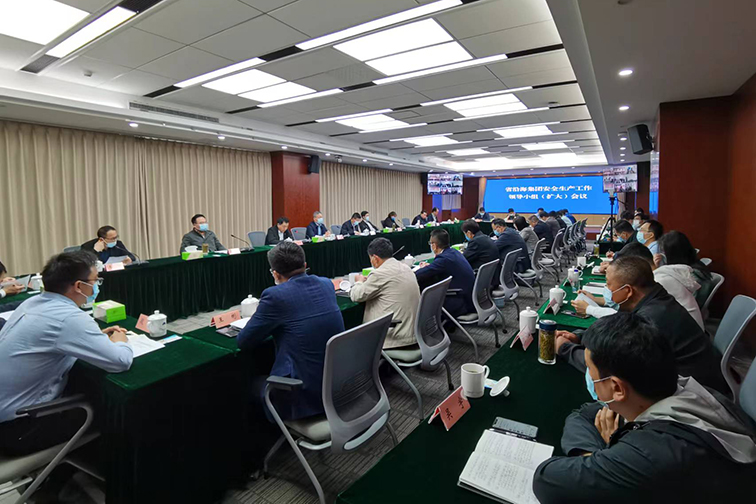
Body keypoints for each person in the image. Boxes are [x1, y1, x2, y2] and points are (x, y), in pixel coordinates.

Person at [533, 312, 756, 503]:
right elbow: (582, 416)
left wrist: (606, 457)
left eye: (590, 370)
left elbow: (546, 480)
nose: (589, 375)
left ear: (617, 388)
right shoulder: (684, 390)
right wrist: (598, 459)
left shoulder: (652, 455)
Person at [0, 251, 133, 456]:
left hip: (8, 413)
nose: (97, 285)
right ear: (79, 286)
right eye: (95, 280)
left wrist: (92, 338)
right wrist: (121, 341)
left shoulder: (32, 302)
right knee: (120, 411)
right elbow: (121, 362)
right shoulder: (69, 317)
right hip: (20, 428)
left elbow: (53, 339)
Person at [557, 256, 726, 393]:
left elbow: (609, 363)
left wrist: (564, 348)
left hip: (693, 394)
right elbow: (617, 327)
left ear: (628, 291)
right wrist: (579, 337)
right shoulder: (656, 299)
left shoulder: (651, 318)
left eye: (608, 285)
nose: (607, 290)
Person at [237, 242, 344, 421]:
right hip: (339, 384)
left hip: (304, 393)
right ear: (305, 265)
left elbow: (244, 341)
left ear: (275, 274)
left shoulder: (275, 296)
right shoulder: (326, 284)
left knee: (249, 385)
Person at [573, 242, 705, 330]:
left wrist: (590, 309)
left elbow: (627, 321)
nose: (607, 288)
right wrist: (595, 300)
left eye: (608, 284)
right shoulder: (654, 285)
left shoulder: (661, 283)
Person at [350, 238, 420, 349]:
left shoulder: (379, 274)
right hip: (414, 332)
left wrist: (358, 281)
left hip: (393, 337)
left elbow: (356, 296)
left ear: (375, 258)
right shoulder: (405, 267)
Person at [415, 229, 475, 318]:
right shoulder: (454, 252)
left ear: (434, 245)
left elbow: (418, 275)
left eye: (430, 243)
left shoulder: (443, 259)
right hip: (470, 297)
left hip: (460, 302)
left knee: (425, 291)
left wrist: (422, 269)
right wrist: (430, 266)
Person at [656, 231, 715, 308]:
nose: (662, 255)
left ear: (672, 254)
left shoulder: (691, 276)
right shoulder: (693, 264)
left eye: (663, 252)